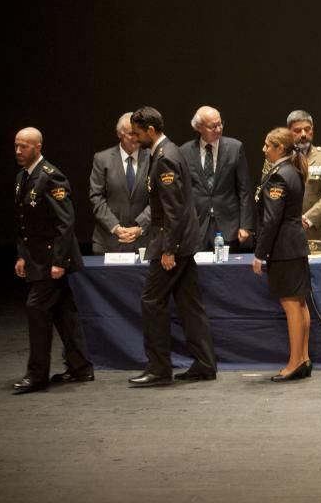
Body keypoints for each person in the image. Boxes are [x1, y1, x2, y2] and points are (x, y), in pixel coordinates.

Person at [129, 106, 217, 387]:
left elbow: (174, 209)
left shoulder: (164, 157)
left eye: (137, 132)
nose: (134, 138)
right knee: (190, 305)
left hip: (173, 244)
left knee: (151, 301)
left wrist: (169, 249)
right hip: (184, 242)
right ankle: (204, 363)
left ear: (151, 130)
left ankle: (158, 368)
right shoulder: (171, 151)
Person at [12, 128, 92, 394]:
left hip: (51, 260)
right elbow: (24, 223)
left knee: (36, 309)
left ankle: (37, 374)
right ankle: (81, 367)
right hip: (36, 257)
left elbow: (65, 223)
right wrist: (22, 255)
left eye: (24, 146)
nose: (18, 151)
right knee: (63, 313)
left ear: (38, 146)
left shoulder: (51, 176)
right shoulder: (23, 177)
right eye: (16, 146)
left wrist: (59, 261)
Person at [252, 128, 312, 382]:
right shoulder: (292, 170)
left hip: (283, 249)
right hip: (294, 245)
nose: (263, 149)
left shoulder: (279, 176)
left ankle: (294, 362)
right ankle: (304, 358)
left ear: (280, 148)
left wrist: (260, 253)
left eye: (268, 145)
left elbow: (271, 220)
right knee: (299, 304)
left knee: (291, 306)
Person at [180, 105, 255, 251]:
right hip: (198, 226)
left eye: (220, 124)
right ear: (199, 127)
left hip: (229, 226)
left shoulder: (235, 148)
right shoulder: (184, 151)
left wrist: (245, 225)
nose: (219, 129)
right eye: (212, 126)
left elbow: (244, 190)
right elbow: (183, 193)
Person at [274, 110, 321, 251]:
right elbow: (270, 196)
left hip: (318, 235)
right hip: (284, 234)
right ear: (288, 132)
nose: (303, 134)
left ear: (312, 130)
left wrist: (307, 220)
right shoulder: (277, 157)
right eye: (297, 130)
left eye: (307, 129)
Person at [89, 112, 151, 254]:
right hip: (109, 241)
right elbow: (96, 197)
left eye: (138, 133)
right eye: (131, 134)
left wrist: (140, 226)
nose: (136, 138)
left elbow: (158, 197)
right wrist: (115, 227)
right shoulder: (102, 159)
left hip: (144, 241)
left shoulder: (152, 158)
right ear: (119, 134)